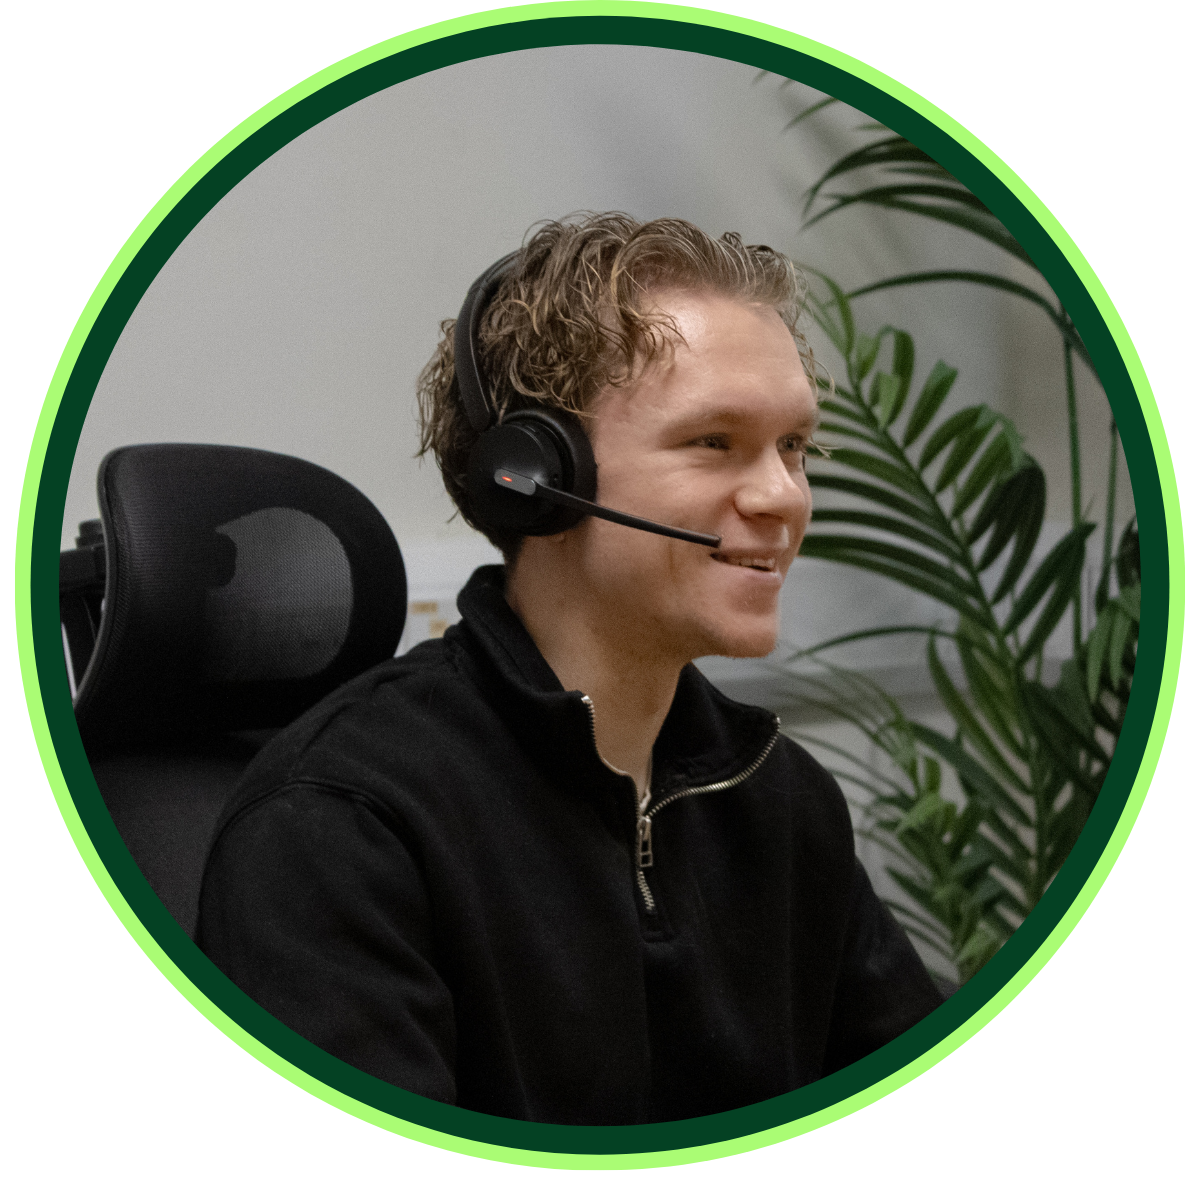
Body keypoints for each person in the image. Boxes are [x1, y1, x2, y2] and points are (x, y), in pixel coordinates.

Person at [196, 213, 942, 1125]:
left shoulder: (779, 798)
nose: (783, 498)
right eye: (714, 441)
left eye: (795, 447)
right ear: (534, 476)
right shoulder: (341, 823)